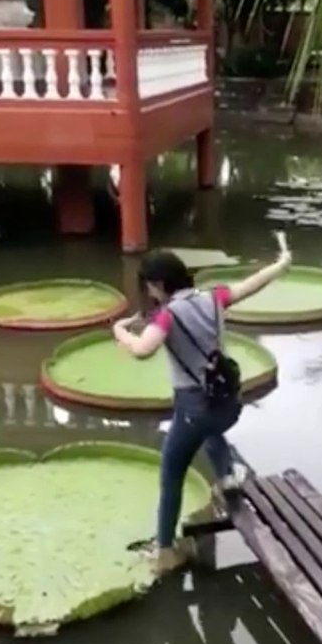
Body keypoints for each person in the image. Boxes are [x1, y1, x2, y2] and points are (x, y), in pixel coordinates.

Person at [113, 246, 292, 575]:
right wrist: (281, 265)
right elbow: (251, 284)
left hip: (195, 410)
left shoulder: (166, 315)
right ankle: (226, 479)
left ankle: (165, 551)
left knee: (171, 475)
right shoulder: (213, 297)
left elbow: (142, 350)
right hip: (228, 403)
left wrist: (120, 332)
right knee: (211, 432)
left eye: (149, 286)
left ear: (156, 284)